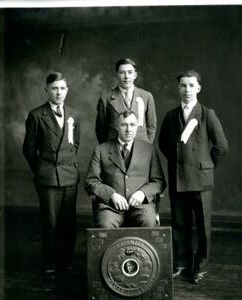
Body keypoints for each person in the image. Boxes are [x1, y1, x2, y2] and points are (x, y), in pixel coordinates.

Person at [159, 70, 228, 284]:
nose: (187, 90)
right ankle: (181, 262)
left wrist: (206, 166)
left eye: (191, 85)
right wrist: (178, 163)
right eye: (183, 85)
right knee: (180, 223)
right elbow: (163, 144)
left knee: (202, 225)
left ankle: (200, 265)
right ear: (178, 88)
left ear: (198, 88)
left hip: (201, 181)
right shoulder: (171, 116)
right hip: (179, 178)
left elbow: (222, 146)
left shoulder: (207, 114)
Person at [23, 72, 81, 280]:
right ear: (46, 90)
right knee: (50, 222)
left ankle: (66, 262)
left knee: (69, 222)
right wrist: (41, 169)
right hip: (48, 177)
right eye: (54, 88)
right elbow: (28, 149)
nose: (59, 92)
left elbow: (75, 144)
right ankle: (50, 263)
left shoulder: (74, 113)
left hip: (69, 176)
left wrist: (68, 165)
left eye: (62, 88)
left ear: (67, 90)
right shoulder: (37, 115)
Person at [85, 111, 166, 228]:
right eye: (124, 125)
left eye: (132, 125)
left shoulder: (149, 150)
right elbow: (90, 182)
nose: (128, 129)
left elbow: (159, 182)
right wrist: (111, 194)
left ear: (137, 126)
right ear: (117, 126)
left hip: (142, 207)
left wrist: (142, 193)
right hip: (111, 208)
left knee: (149, 223)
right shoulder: (101, 150)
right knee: (105, 225)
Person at [95, 58, 157, 144]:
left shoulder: (147, 96)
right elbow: (101, 129)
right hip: (114, 148)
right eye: (122, 72)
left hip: (141, 148)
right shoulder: (106, 98)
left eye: (130, 72)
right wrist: (107, 149)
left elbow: (151, 126)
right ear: (117, 74)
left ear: (135, 75)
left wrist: (147, 146)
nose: (126, 76)